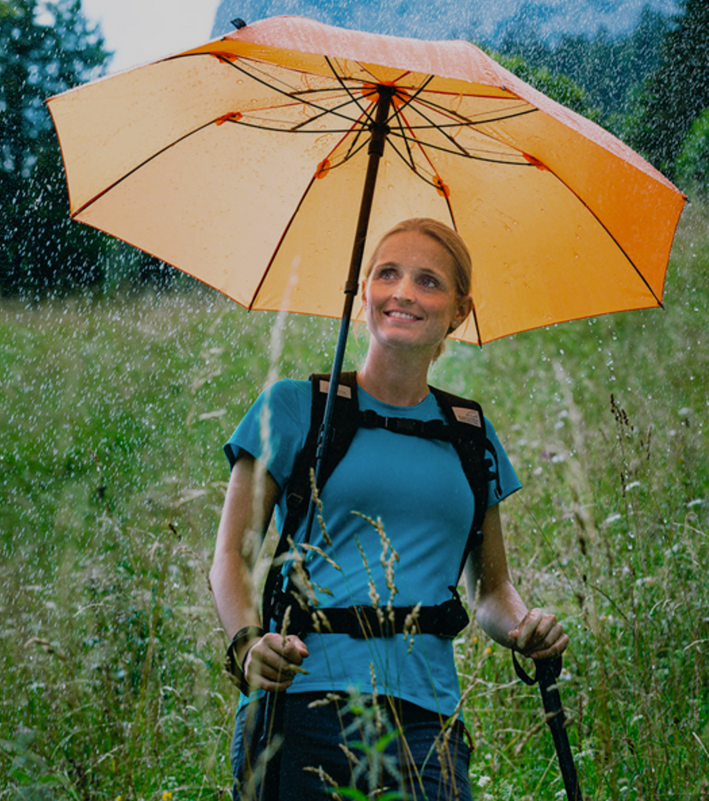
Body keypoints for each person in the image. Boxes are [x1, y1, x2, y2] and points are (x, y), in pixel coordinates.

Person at [210, 218, 569, 800]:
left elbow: (492, 594)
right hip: (301, 705)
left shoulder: (470, 433)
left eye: (428, 281)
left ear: (458, 310)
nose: (403, 292)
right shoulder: (294, 407)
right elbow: (230, 555)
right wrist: (248, 643)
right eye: (387, 274)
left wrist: (526, 629)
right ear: (363, 292)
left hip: (427, 723)